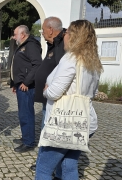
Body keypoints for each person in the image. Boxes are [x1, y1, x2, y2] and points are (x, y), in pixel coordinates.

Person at [35, 20, 103, 180]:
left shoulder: (71, 59)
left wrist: (46, 90)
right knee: (68, 166)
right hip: (84, 122)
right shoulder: (92, 61)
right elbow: (92, 93)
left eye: (67, 32)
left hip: (64, 124)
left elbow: (55, 92)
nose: (64, 35)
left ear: (73, 37)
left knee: (43, 169)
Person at [10, 25, 42, 153]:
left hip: (27, 86)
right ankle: (25, 137)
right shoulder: (23, 45)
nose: (13, 37)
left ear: (22, 34)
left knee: (26, 114)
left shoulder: (31, 45)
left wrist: (26, 82)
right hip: (20, 84)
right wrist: (14, 83)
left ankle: (29, 142)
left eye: (15, 34)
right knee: (23, 113)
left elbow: (37, 64)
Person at [35, 17, 66, 130]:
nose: (42, 33)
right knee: (45, 118)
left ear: (50, 30)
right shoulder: (53, 44)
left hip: (55, 94)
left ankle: (46, 146)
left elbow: (63, 70)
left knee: (49, 124)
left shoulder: (63, 44)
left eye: (43, 30)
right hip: (48, 93)